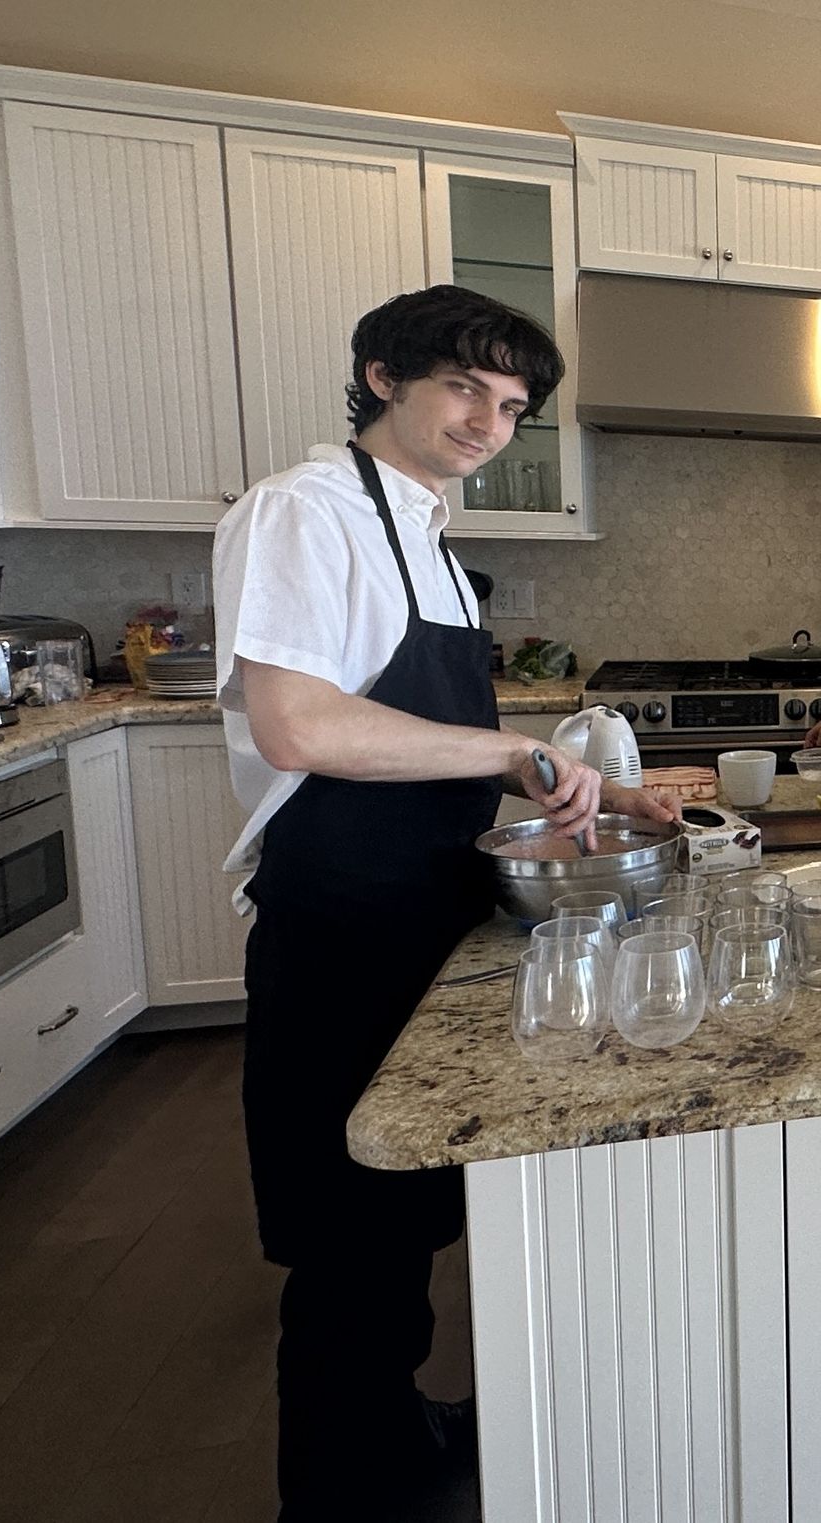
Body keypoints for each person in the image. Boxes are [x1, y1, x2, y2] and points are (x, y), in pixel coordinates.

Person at [212, 284, 678, 1522]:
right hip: (339, 926)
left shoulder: (432, 545)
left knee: (405, 1218)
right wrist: (516, 749)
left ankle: (397, 1428)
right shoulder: (303, 509)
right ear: (383, 376)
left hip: (423, 913)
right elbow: (300, 726)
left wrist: (573, 790)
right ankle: (335, 1488)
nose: (487, 421)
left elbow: (426, 748)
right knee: (346, 1241)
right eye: (465, 387)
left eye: (511, 405)